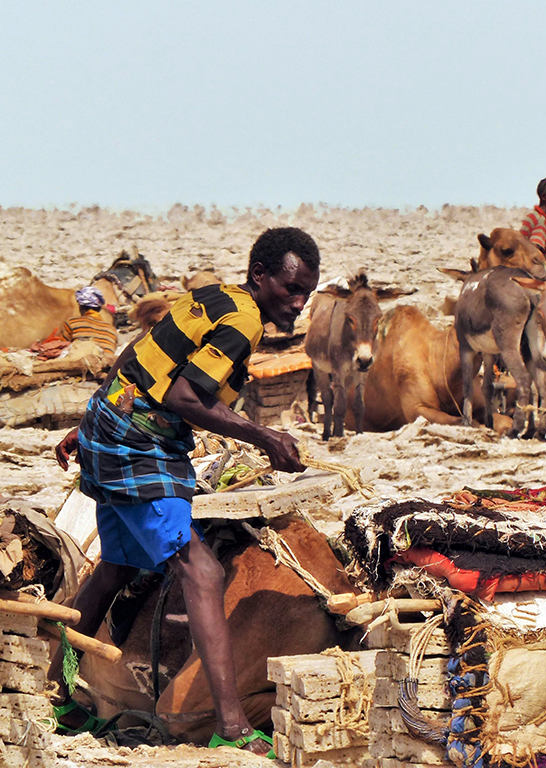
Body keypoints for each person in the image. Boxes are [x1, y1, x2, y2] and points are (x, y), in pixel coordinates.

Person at [47, 227, 321, 756]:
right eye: (290, 289)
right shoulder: (242, 321)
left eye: (306, 292)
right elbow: (185, 395)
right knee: (203, 570)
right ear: (260, 276)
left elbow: (142, 353)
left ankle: (60, 693)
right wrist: (265, 437)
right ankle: (233, 725)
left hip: (112, 423)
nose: (298, 302)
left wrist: (95, 417)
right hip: (139, 445)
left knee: (116, 569)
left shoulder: (214, 298)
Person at [58, 286, 119, 354]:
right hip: (108, 363)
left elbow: (62, 347)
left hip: (81, 362)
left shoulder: (72, 323)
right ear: (99, 308)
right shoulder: (112, 330)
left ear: (80, 307)